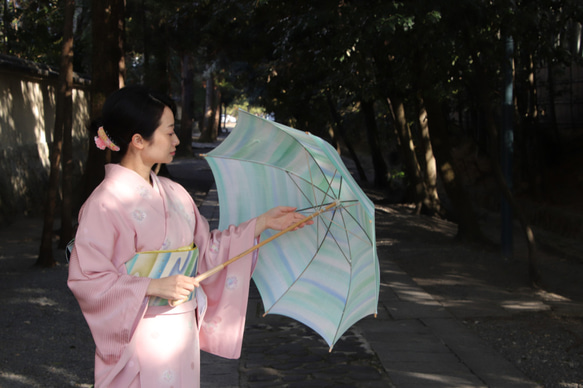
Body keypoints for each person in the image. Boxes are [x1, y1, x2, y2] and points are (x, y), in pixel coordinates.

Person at [67, 85, 312, 387]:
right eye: (169, 132)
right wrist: (153, 285)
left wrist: (261, 224)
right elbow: (87, 279)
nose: (177, 140)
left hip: (182, 330)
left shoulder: (176, 194)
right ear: (138, 140)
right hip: (141, 334)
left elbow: (207, 251)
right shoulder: (104, 203)